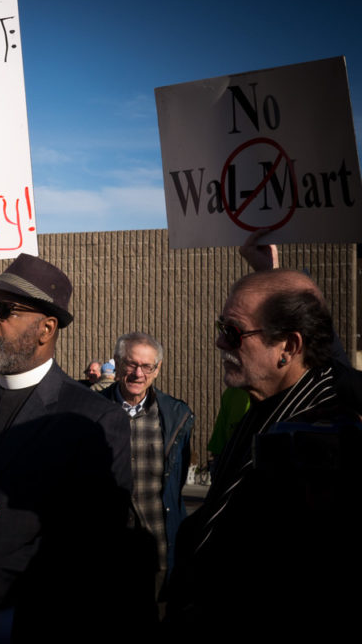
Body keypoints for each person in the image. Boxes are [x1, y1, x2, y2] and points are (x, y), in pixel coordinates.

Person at [0, 253, 150, 641]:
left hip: (37, 617)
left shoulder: (93, 418)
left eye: (5, 310)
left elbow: (93, 534)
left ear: (46, 328)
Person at [166, 269, 362, 639]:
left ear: (288, 347)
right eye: (221, 326)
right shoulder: (262, 405)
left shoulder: (329, 434)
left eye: (234, 332)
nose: (221, 343)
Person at [99, 331, 193, 599]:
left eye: (146, 366)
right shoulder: (92, 410)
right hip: (106, 551)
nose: (138, 373)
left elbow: (177, 480)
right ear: (117, 363)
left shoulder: (177, 416)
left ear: (157, 369)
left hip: (158, 550)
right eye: (131, 364)